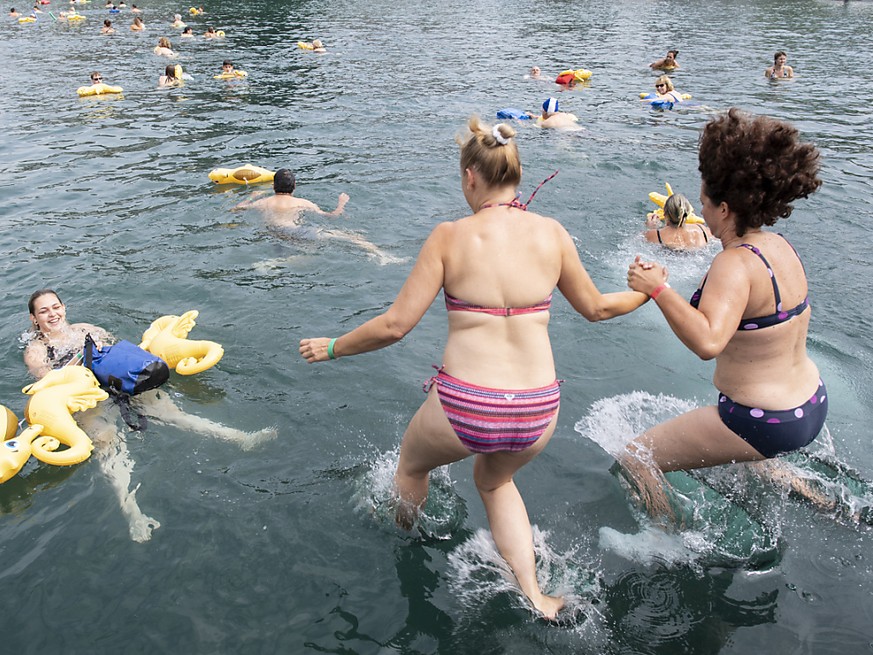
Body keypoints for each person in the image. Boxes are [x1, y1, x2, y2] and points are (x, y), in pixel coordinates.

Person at [299, 117, 648, 619]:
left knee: (412, 466)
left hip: (468, 403)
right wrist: (649, 291)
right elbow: (596, 308)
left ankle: (406, 541)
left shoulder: (449, 237)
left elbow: (396, 326)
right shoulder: (552, 234)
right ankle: (535, 594)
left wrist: (333, 347)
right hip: (538, 409)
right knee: (495, 482)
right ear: (517, 177)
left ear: (470, 177)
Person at [624, 108, 825, 517]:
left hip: (763, 419)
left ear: (725, 208)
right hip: (810, 403)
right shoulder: (780, 247)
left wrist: (657, 288)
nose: (702, 208)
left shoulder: (734, 263)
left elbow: (708, 341)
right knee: (755, 454)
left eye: (705, 202)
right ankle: (817, 496)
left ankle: (666, 543)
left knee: (635, 457)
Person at [23, 290, 277, 542]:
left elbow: (122, 352)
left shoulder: (86, 329)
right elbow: (48, 383)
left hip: (118, 383)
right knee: (108, 443)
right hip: (87, 400)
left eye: (55, 307)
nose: (52, 314)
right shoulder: (36, 350)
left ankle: (239, 438)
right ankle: (132, 510)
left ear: (64, 307)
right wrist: (79, 362)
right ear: (34, 318)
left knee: (174, 414)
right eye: (43, 311)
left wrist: (105, 348)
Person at [231, 169, 397, 264]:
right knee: (350, 236)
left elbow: (236, 209)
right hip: (296, 232)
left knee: (292, 254)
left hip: (273, 233)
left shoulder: (264, 202)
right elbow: (331, 217)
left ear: (274, 186)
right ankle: (382, 255)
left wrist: (252, 195)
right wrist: (341, 203)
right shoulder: (302, 203)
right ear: (294, 186)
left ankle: (274, 263)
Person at [645, 193, 712, 250]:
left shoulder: (656, 234)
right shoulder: (703, 230)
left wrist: (650, 228)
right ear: (688, 213)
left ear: (665, 214)